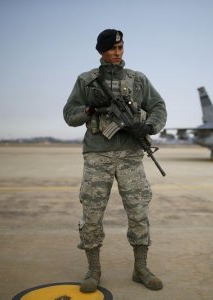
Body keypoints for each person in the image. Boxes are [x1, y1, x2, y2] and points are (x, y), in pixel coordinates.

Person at [63, 29, 167, 293]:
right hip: (98, 154)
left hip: (131, 156)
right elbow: (69, 115)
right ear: (101, 51)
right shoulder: (86, 80)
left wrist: (150, 126)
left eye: (120, 47)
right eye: (111, 48)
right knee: (92, 213)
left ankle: (140, 268)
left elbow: (158, 106)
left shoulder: (138, 79)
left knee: (138, 211)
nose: (117, 53)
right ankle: (93, 270)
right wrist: (89, 109)